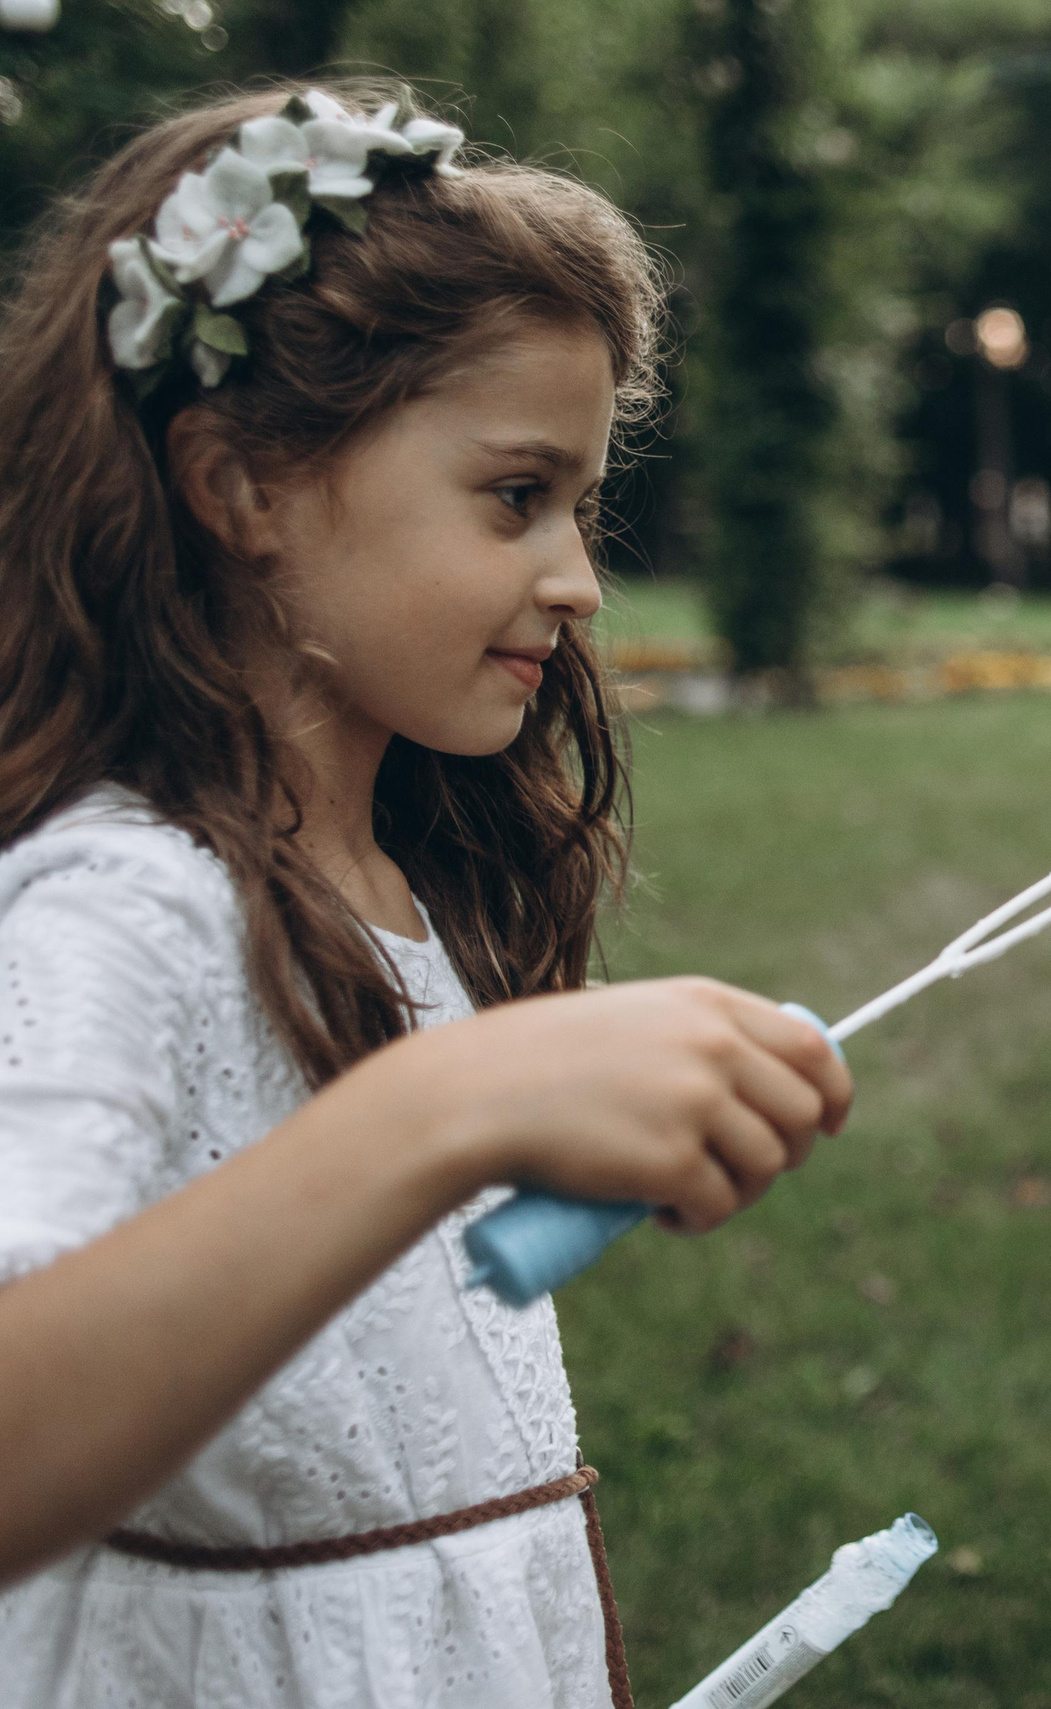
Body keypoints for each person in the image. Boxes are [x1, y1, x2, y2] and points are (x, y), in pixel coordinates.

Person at [0, 84, 852, 1705]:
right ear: (241, 485)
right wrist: (443, 1106)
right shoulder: (113, 907)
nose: (579, 577)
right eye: (516, 495)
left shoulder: (401, 875)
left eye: (585, 506)